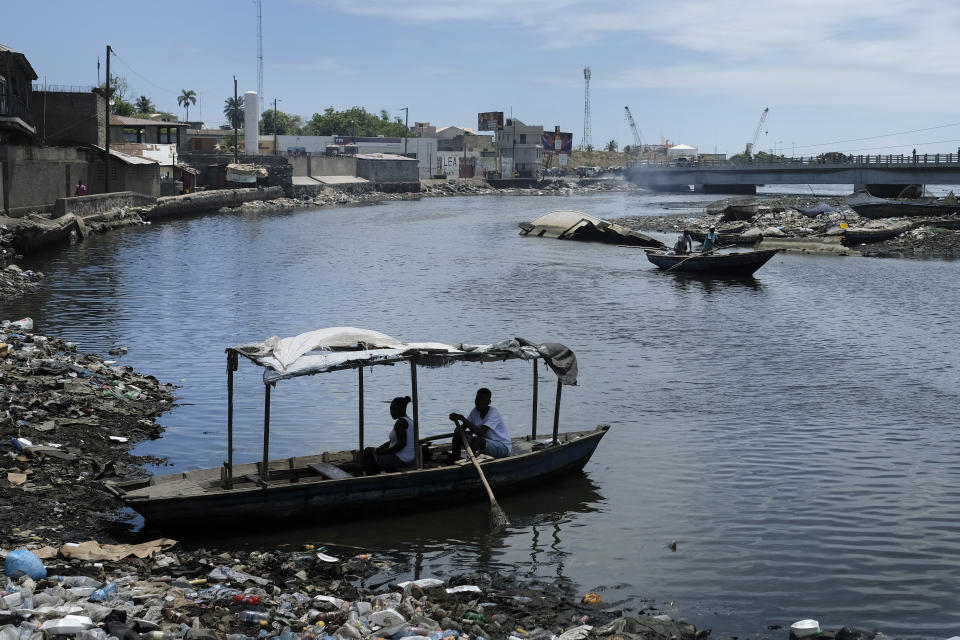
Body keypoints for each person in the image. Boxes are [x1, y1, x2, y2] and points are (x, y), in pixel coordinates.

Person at [448, 387, 510, 462]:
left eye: (482, 400)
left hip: (502, 447)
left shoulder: (493, 413)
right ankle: (455, 460)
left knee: (477, 441)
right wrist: (458, 426)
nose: (478, 402)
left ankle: (473, 460)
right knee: (458, 435)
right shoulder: (474, 412)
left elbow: (481, 433)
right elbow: (462, 429)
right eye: (477, 399)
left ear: (488, 402)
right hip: (486, 444)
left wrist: (462, 418)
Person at [361, 396, 415, 474]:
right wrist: (379, 449)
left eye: (394, 409)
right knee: (373, 451)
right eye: (390, 409)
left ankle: (371, 477)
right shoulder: (409, 420)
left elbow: (401, 444)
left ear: (401, 409)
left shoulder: (401, 422)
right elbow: (393, 442)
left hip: (401, 459)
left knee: (367, 452)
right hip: (409, 457)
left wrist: (385, 451)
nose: (391, 411)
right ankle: (381, 473)